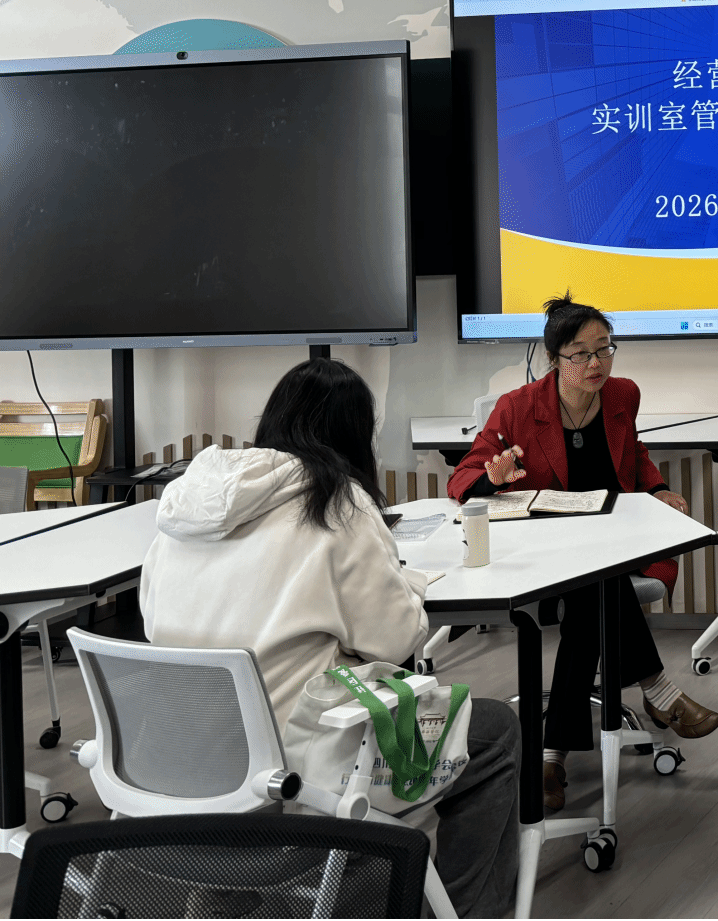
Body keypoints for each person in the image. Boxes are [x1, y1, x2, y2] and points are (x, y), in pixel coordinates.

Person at [141, 358, 521, 918]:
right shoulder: (336, 502)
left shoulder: (183, 506)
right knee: (496, 732)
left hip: (176, 772)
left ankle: (228, 900)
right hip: (295, 779)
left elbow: (152, 620)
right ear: (354, 434)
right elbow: (394, 638)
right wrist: (409, 584)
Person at [448, 294, 718, 813]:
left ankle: (552, 756)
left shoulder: (622, 395)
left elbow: (635, 456)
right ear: (554, 359)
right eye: (581, 354)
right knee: (598, 583)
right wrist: (492, 478)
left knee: (598, 579)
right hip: (547, 554)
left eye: (605, 349)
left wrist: (658, 488)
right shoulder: (518, 407)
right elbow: (462, 477)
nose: (596, 363)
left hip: (619, 544)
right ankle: (658, 691)